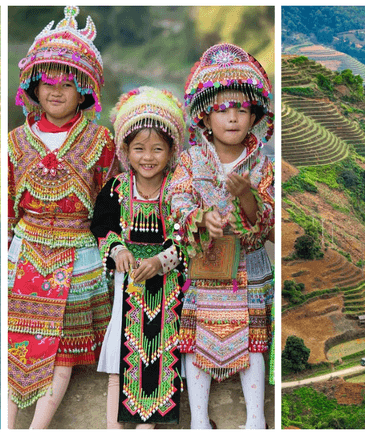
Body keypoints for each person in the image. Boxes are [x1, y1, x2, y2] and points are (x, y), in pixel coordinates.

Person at [7, 6, 117, 429]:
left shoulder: (100, 141)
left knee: (63, 352)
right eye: (48, 82)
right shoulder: (16, 141)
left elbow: (110, 204)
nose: (56, 91)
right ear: (33, 86)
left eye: (67, 83)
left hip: (78, 257)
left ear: (84, 89)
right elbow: (10, 204)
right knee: (17, 343)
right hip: (25, 254)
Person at [167, 42, 275, 429]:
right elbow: (176, 200)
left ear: (254, 115)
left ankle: (255, 420)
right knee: (196, 342)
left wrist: (246, 197)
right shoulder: (191, 160)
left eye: (242, 109)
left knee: (253, 341)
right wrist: (200, 218)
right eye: (222, 109)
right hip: (206, 266)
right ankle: (198, 421)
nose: (232, 117)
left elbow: (266, 220)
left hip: (250, 267)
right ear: (204, 117)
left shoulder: (262, 164)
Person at [91, 87, 187, 428]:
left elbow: (189, 237)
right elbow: (101, 226)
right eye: (139, 149)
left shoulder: (179, 189)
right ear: (125, 150)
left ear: (172, 150)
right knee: (120, 363)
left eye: (157, 149)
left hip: (169, 291)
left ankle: (147, 426)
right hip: (127, 289)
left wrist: (161, 261)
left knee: (160, 361)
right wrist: (118, 250)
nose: (148, 157)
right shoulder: (115, 189)